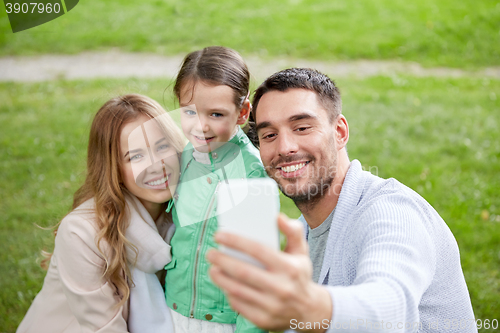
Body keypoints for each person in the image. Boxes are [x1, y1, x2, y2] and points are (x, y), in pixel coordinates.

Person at [207, 68, 477, 333]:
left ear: (340, 132)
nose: (284, 147)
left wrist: (309, 307)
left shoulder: (392, 211)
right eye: (269, 135)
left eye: (301, 127)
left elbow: (390, 308)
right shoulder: (302, 234)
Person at [17, 94, 185, 333]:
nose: (156, 165)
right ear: (113, 169)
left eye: (162, 146)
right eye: (135, 156)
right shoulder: (81, 233)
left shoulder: (188, 211)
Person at [164, 46, 271, 333]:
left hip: (221, 323)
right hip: (171, 310)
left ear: (242, 112)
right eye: (189, 112)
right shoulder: (184, 158)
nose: (201, 126)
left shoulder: (250, 176)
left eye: (215, 114)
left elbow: (256, 273)